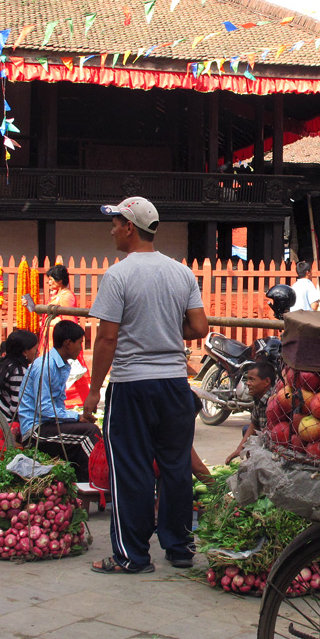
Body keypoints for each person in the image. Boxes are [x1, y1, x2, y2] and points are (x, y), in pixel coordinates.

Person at [83, 196, 208, 574]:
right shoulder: (181, 273)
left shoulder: (118, 275)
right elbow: (200, 328)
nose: (112, 230)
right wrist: (168, 330)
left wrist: (93, 390)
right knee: (174, 467)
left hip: (132, 386)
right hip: (173, 384)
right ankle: (180, 548)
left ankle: (132, 556)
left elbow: (106, 339)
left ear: (130, 228)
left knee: (132, 470)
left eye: (116, 223)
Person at [18, 320, 101, 482]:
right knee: (88, 434)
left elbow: (59, 403)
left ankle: (83, 486)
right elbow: (45, 409)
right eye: (80, 343)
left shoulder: (61, 365)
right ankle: (95, 484)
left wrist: (78, 419)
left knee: (90, 429)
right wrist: (77, 417)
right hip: (36, 430)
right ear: (68, 343)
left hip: (49, 425)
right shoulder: (46, 366)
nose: (80, 348)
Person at [0, 329, 38, 435]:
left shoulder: (3, 364)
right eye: (35, 349)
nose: (38, 352)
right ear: (24, 352)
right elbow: (18, 409)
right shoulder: (18, 372)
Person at [45, 264, 90, 405]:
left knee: (69, 367)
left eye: (51, 279)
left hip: (62, 338)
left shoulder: (66, 296)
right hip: (54, 336)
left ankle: (78, 399)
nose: (49, 282)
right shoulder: (58, 295)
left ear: (59, 280)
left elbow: (69, 319)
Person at [225, 361, 275, 463]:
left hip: (274, 440)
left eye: (251, 379)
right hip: (263, 436)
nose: (247, 383)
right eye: (247, 379)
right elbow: (254, 424)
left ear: (266, 382)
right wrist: (240, 448)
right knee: (246, 430)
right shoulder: (258, 398)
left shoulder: (274, 400)